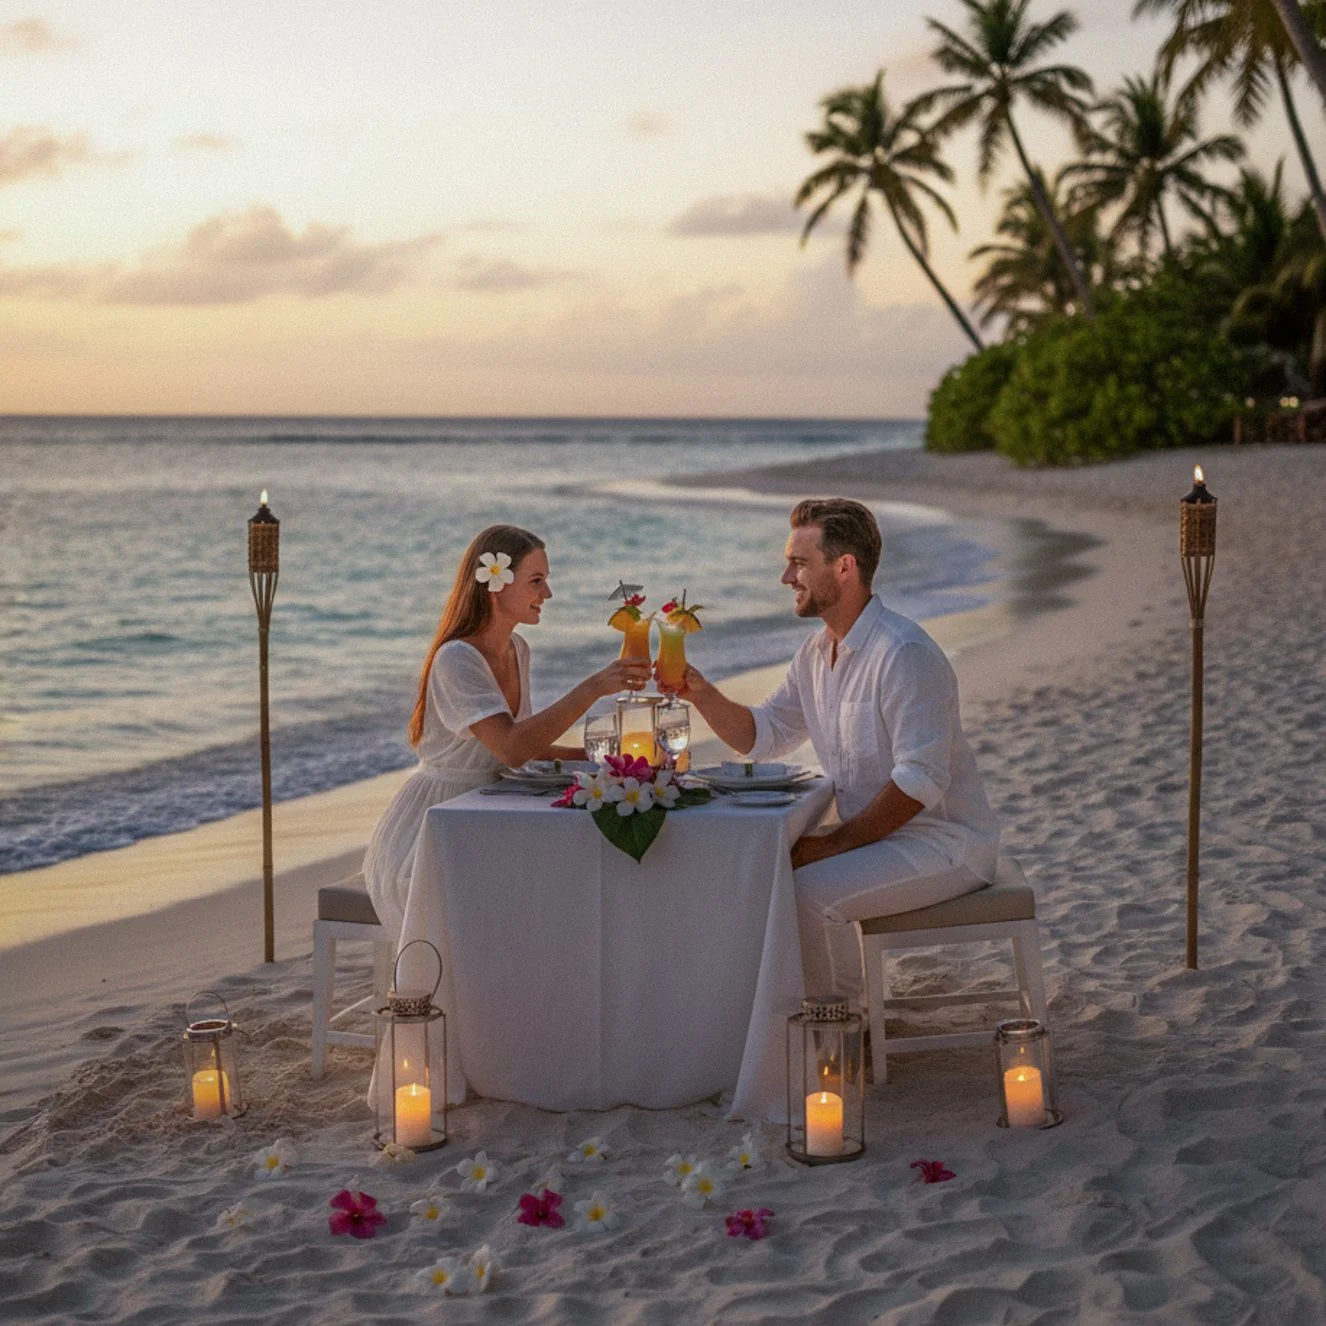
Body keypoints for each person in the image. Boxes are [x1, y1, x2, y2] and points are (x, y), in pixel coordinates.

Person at [673, 497, 999, 1006]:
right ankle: (768, 1016)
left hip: (945, 844)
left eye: (799, 563)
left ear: (844, 567)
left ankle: (841, 1029)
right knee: (759, 867)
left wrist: (834, 844)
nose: (786, 576)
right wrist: (701, 693)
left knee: (809, 893)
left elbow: (921, 783)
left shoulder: (904, 654)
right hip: (880, 839)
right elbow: (763, 734)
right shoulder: (815, 652)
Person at [363, 524, 649, 937]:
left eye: (546, 581)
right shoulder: (457, 659)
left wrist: (599, 760)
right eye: (536, 581)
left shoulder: (517, 649)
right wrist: (594, 687)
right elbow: (512, 749)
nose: (547, 593)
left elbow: (524, 748)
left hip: (493, 809)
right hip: (436, 826)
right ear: (495, 584)